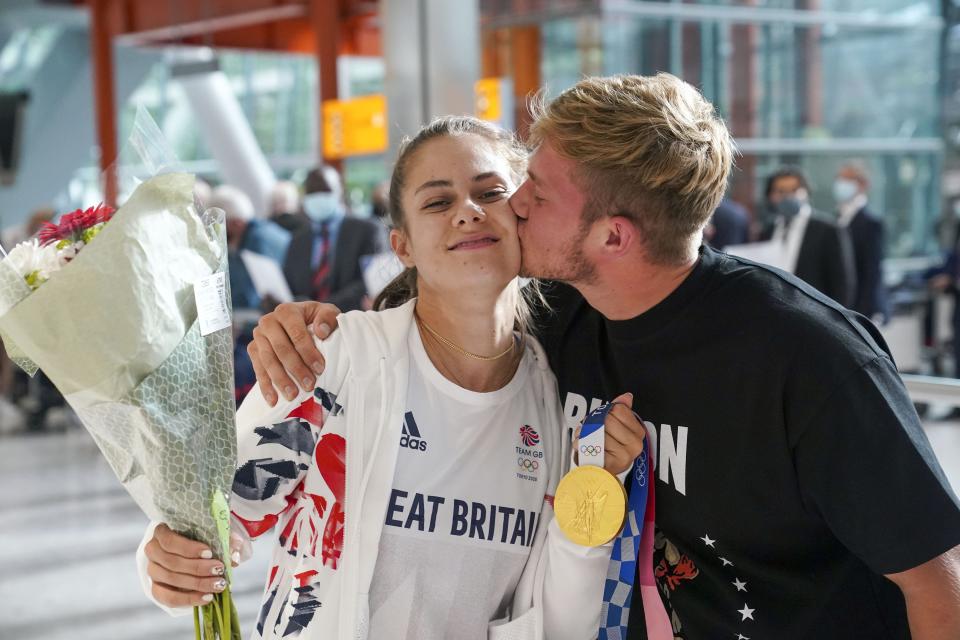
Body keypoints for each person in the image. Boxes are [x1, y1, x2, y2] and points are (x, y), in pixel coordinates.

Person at [247, 74, 960, 639]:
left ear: (613, 238)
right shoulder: (560, 321)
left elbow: (940, 583)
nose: (513, 203)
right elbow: (446, 301)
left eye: (537, 192)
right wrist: (303, 327)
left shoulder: (807, 356)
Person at [139, 116, 648, 640]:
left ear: (522, 214)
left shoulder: (551, 394)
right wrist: (167, 563)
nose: (468, 212)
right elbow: (216, 517)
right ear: (402, 246)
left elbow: (551, 611)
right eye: (437, 202)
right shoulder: (335, 361)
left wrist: (597, 488)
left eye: (489, 192)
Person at [282, 165, 385, 311]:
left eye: (325, 190)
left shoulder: (368, 230)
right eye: (312, 192)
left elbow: (371, 281)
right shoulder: (298, 240)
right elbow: (289, 285)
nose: (318, 197)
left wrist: (321, 308)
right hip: (306, 325)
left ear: (340, 191)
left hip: (352, 321)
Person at [762, 167, 856, 307]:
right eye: (780, 191)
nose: (788, 196)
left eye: (794, 190)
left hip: (815, 314)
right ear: (771, 196)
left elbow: (843, 284)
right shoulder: (768, 230)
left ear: (806, 192)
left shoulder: (828, 229)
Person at [213, 184, 291, 311]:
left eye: (219, 226)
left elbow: (249, 296)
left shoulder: (257, 242)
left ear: (237, 223)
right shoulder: (262, 232)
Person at [833, 161, 890, 323]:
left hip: (860, 309)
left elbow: (872, 272)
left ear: (863, 184)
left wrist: (862, 315)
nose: (841, 184)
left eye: (848, 179)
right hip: (838, 305)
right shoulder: (836, 218)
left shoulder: (871, 223)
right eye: (839, 179)